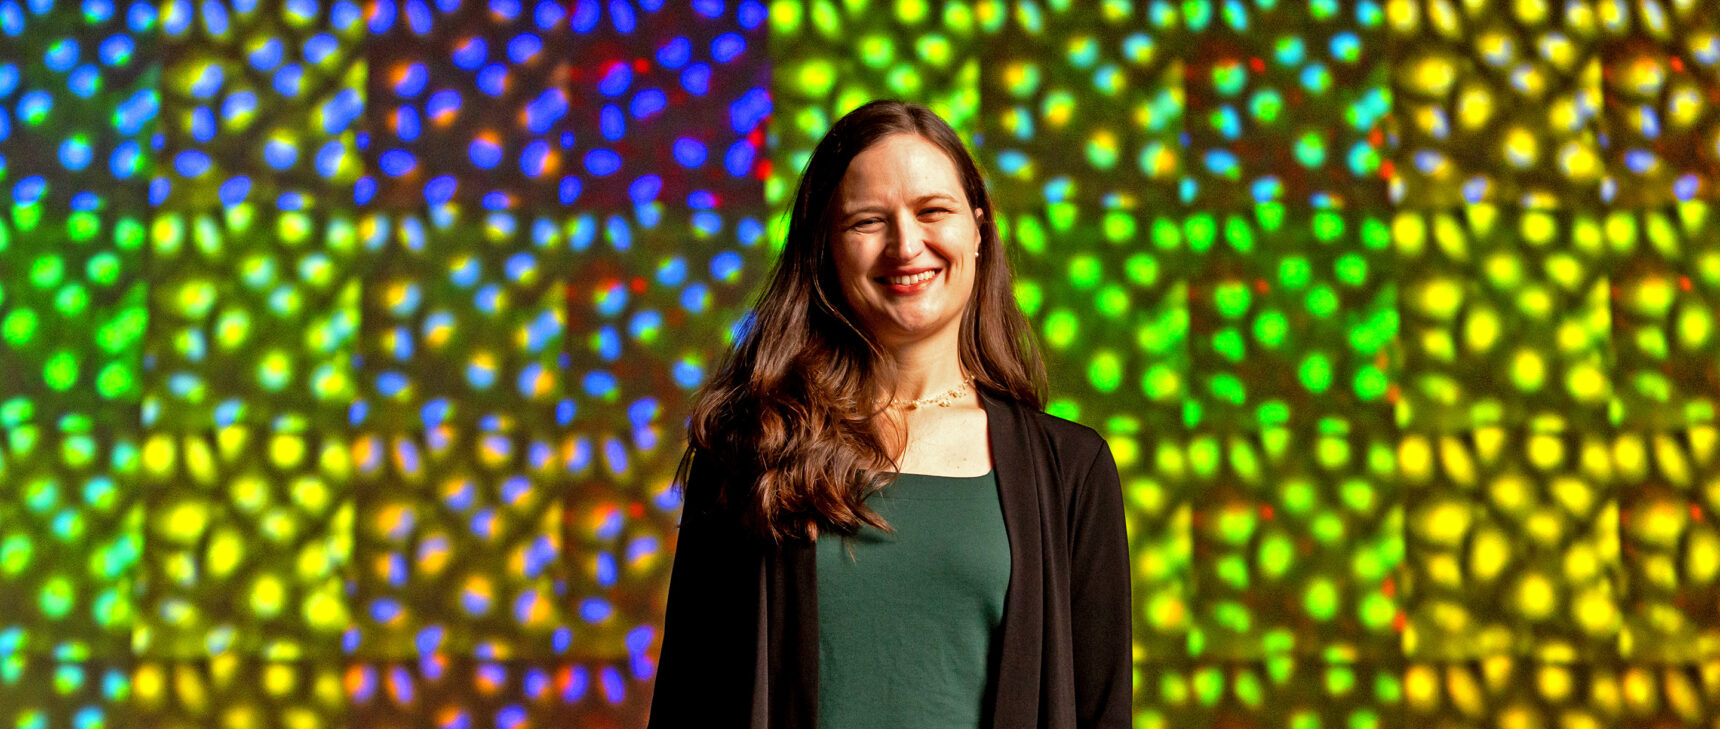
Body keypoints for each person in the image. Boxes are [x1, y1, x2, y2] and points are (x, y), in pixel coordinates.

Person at [646, 99, 1131, 729]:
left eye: (934, 211)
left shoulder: (1073, 470)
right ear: (825, 248)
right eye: (868, 222)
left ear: (979, 231)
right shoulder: (752, 447)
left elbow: (1100, 712)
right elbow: (689, 702)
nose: (906, 245)